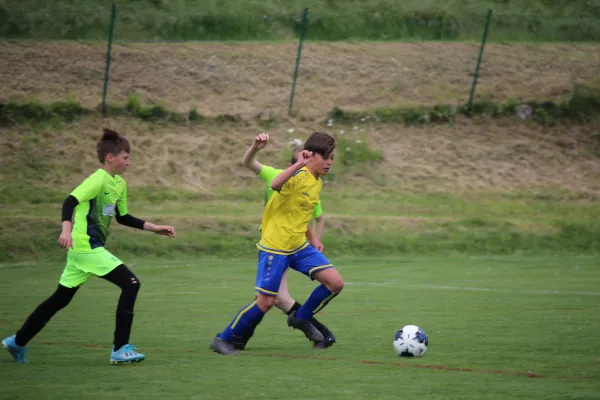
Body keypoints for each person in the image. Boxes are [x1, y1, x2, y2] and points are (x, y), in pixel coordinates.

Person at [2, 128, 176, 364]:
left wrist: (154, 227)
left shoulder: (119, 184)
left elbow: (122, 217)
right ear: (110, 158)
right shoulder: (97, 179)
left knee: (59, 300)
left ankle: (17, 342)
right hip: (86, 247)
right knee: (131, 284)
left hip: (82, 253)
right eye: (126, 157)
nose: (129, 163)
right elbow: (70, 201)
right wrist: (66, 230)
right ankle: (120, 349)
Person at [210, 132, 344, 355]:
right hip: (276, 247)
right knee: (266, 301)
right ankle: (224, 339)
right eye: (326, 157)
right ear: (311, 156)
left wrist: (313, 240)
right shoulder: (296, 174)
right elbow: (274, 183)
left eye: (332, 158)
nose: (330, 162)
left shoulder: (316, 182)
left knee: (335, 283)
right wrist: (298, 165)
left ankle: (301, 318)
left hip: (299, 246)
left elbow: (301, 214)